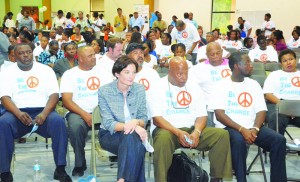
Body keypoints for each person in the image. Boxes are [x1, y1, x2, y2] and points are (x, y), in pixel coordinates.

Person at [148, 56, 232, 182]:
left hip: (191, 129)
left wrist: (197, 132)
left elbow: (202, 115)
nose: (184, 77)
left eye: (186, 73)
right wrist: (178, 132)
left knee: (222, 135)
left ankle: (216, 178)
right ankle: (161, 180)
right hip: (167, 130)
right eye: (179, 73)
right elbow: (157, 119)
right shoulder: (157, 87)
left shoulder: (194, 87)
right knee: (163, 139)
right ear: (170, 71)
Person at [0, 43, 72, 182]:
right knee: (2, 123)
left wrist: (44, 114)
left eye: (28, 52)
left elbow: (54, 95)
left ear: (32, 53)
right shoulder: (6, 72)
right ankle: (4, 172)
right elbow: (4, 98)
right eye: (21, 53)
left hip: (43, 111)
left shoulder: (45, 70)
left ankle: (60, 169)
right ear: (14, 56)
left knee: (58, 122)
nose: (25, 55)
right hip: (17, 113)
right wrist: (18, 113)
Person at [212, 51, 286, 182]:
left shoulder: (254, 84)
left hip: (253, 127)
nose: (251, 66)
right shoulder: (221, 85)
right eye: (247, 63)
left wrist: (255, 129)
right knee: (239, 141)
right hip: (229, 127)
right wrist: (242, 130)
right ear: (236, 66)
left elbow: (261, 111)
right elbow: (219, 115)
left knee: (278, 140)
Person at [61, 46, 112, 177]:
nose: (94, 57)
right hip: (78, 113)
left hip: (102, 112)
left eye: (94, 54)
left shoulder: (103, 72)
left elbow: (112, 95)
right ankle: (80, 162)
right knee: (75, 127)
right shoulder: (70, 74)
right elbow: (66, 101)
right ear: (81, 59)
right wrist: (85, 115)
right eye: (90, 56)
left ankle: (117, 157)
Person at [98, 55, 148, 182]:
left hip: (133, 136)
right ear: (117, 73)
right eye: (127, 72)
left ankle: (122, 179)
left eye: (133, 72)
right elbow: (109, 123)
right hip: (110, 135)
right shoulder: (104, 91)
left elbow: (143, 117)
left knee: (132, 140)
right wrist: (134, 126)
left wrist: (136, 122)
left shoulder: (139, 89)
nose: (131, 76)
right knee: (136, 144)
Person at [189, 42, 232, 126]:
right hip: (207, 106)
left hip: (230, 104)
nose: (215, 56)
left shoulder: (232, 65)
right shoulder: (197, 69)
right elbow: (189, 86)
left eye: (218, 53)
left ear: (222, 52)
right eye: (212, 54)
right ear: (207, 55)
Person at [263, 49, 300, 135]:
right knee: (276, 119)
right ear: (281, 64)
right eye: (285, 61)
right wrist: (286, 107)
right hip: (278, 105)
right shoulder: (274, 75)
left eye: (291, 59)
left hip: (298, 106)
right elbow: (268, 94)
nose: (288, 62)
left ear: (296, 60)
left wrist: (295, 109)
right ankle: (277, 147)